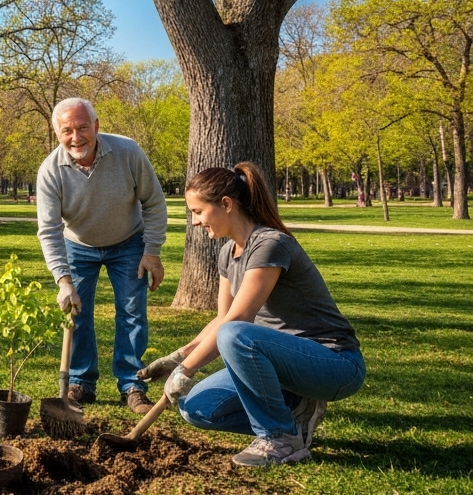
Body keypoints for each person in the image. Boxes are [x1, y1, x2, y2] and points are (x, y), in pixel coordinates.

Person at [136, 163, 364, 467]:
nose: (194, 221)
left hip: (333, 363)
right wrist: (179, 358)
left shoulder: (270, 244)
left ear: (226, 205)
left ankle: (279, 437)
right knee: (197, 408)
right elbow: (221, 318)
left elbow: (238, 319)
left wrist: (187, 370)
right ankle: (296, 417)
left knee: (236, 334)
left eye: (198, 211)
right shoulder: (226, 253)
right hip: (282, 368)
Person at [37, 97, 167, 415]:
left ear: (96, 126)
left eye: (83, 127)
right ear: (57, 133)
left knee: (133, 314)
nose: (76, 137)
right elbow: (49, 230)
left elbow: (153, 202)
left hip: (128, 243)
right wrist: (63, 280)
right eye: (67, 130)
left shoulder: (128, 152)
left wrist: (151, 252)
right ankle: (81, 382)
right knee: (77, 314)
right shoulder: (50, 172)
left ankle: (132, 384)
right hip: (78, 246)